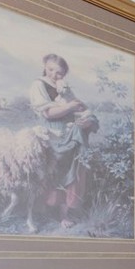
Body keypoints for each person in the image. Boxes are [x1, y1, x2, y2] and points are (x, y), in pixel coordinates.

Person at [28, 53, 99, 228]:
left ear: (64, 75)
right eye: (51, 69)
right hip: (52, 137)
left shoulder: (64, 87)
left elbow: (80, 107)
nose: (54, 75)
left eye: (59, 73)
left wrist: (85, 119)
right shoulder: (38, 85)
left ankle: (65, 214)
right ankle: (46, 210)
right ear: (45, 66)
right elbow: (48, 114)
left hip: (70, 137)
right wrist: (70, 107)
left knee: (73, 173)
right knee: (56, 173)